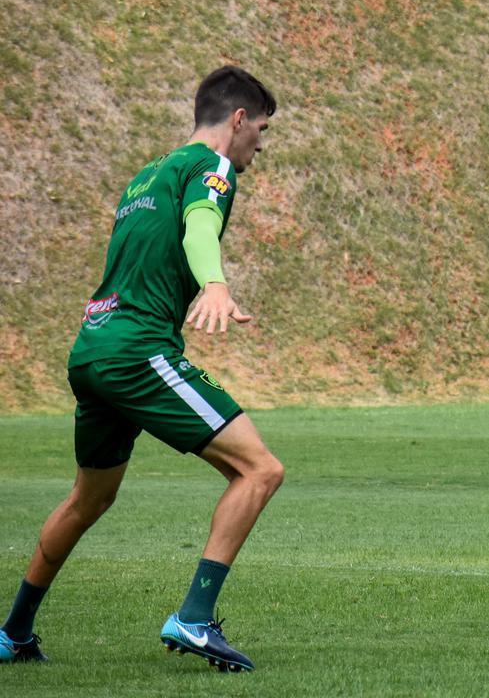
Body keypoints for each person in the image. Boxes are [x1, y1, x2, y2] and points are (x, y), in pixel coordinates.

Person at [0, 66, 284, 672]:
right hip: (137, 349)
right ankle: (195, 619)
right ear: (238, 120)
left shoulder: (145, 175)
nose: (259, 144)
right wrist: (214, 282)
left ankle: (14, 632)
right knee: (259, 469)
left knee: (88, 498)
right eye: (260, 129)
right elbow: (201, 226)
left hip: (93, 345)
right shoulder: (213, 168)